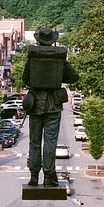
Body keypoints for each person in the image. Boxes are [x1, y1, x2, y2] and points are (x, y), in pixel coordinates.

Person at [22, 26, 79, 187]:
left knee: (34, 142)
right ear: (52, 41)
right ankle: (49, 177)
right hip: (53, 104)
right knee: (50, 142)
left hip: (35, 104)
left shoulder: (32, 58)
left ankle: (34, 177)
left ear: (39, 39)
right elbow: (74, 76)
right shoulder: (59, 58)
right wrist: (59, 77)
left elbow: (25, 78)